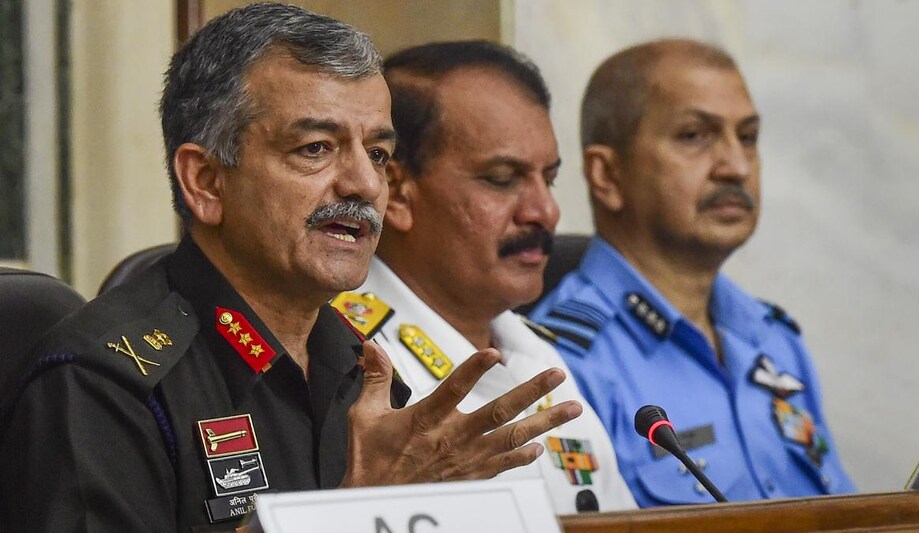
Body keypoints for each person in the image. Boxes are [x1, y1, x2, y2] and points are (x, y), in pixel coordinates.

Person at [0, 5, 582, 531]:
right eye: (315, 149)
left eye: (378, 153)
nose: (364, 184)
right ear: (206, 181)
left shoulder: (366, 370)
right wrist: (360, 511)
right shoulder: (104, 384)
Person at [530, 39, 856, 507]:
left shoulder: (774, 340)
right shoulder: (561, 365)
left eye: (748, 137)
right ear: (607, 175)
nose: (736, 167)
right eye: (693, 136)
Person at [331, 41, 636, 515]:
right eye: (502, 179)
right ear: (398, 193)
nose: (545, 212)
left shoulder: (537, 352)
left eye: (549, 179)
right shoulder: (347, 358)